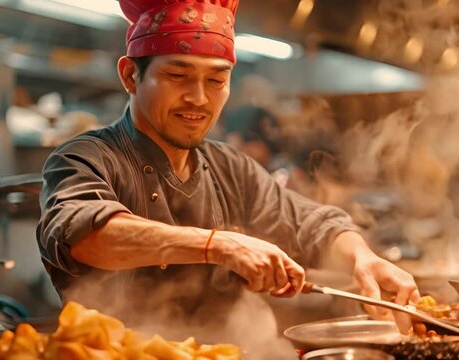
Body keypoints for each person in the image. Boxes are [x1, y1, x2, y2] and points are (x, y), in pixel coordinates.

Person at [36, 0, 419, 354]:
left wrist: (361, 257)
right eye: (177, 75)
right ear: (130, 76)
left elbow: (311, 223)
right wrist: (220, 245)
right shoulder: (83, 158)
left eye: (216, 80)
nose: (199, 98)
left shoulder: (230, 168)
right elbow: (85, 234)